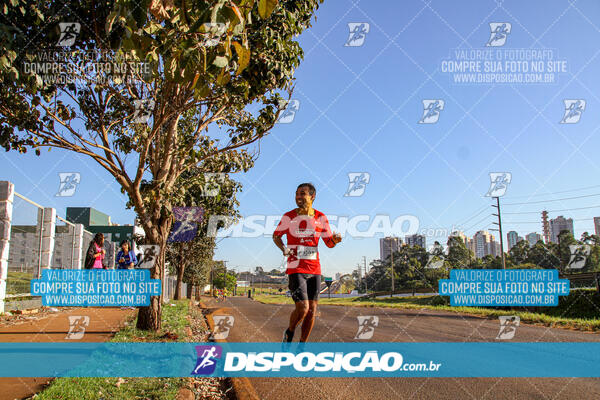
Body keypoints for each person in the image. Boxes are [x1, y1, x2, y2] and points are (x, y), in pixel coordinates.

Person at [273, 183, 341, 343]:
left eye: (302, 193)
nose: (298, 197)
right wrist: (283, 248)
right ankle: (290, 332)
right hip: (295, 268)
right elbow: (276, 236)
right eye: (297, 193)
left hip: (315, 270)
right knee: (303, 308)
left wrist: (336, 240)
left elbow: (329, 243)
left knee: (312, 311)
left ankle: (302, 346)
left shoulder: (321, 218)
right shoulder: (288, 217)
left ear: (312, 197)